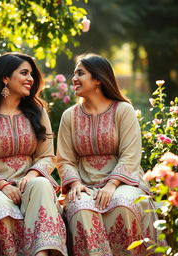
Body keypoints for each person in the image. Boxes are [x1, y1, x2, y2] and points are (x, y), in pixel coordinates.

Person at [56, 53, 164, 255]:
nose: (74, 79)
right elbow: (64, 159)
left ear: (98, 79)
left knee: (123, 204)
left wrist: (112, 184)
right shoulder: (69, 116)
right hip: (85, 183)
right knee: (80, 209)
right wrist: (76, 184)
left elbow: (130, 155)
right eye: (74, 73)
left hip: (125, 181)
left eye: (80, 73)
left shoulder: (123, 110)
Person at [0, 52, 67, 256]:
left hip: (29, 182)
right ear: (5, 78)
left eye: (32, 74)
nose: (31, 79)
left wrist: (31, 175)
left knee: (42, 184)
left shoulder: (38, 112)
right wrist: (2, 185)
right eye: (24, 73)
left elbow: (47, 156)